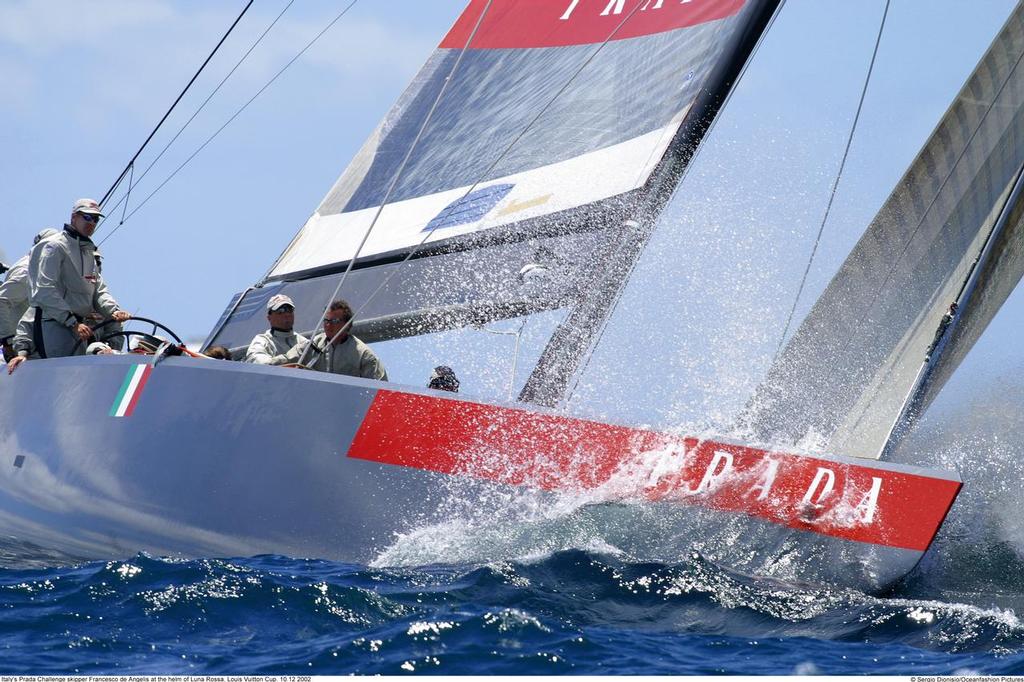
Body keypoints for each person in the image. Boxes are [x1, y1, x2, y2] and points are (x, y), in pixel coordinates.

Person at [28, 199, 131, 358]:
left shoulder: (90, 253)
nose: (92, 222)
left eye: (95, 219)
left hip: (81, 328)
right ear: (73, 217)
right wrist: (72, 322)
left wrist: (114, 311)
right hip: (56, 325)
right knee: (63, 377)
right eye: (87, 217)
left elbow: (99, 292)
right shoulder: (55, 245)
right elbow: (44, 290)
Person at [286, 299, 387, 380]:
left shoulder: (363, 355)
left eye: (335, 321)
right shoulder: (312, 345)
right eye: (326, 320)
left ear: (347, 325)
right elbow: (284, 360)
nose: (329, 325)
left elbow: (380, 388)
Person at [0, 228, 58, 360]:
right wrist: (8, 342)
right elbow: (1, 301)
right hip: (24, 354)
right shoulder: (27, 270)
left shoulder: (41, 268)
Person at [244, 294, 307, 365]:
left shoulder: (304, 342)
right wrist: (293, 356)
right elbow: (260, 364)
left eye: (289, 310)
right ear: (269, 318)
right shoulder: (262, 341)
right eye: (281, 311)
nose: (286, 314)